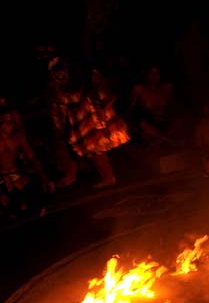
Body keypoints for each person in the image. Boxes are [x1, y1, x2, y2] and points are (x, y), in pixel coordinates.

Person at [47, 57, 129, 188]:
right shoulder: (56, 89)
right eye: (56, 72)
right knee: (90, 149)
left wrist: (103, 109)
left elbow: (109, 96)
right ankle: (74, 176)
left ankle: (109, 178)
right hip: (79, 121)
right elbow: (61, 108)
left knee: (97, 148)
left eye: (61, 70)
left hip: (90, 119)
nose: (60, 74)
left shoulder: (87, 83)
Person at [0, 99, 54, 219]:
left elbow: (31, 156)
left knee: (36, 205)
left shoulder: (18, 136)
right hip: (4, 179)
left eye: (11, 117)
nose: (11, 120)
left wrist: (44, 177)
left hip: (18, 175)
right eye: (6, 117)